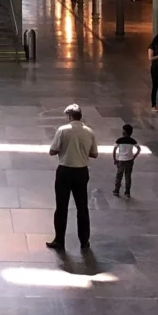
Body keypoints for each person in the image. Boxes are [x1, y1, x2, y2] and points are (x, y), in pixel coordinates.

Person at [46, 103, 97, 251]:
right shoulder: (89, 132)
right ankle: (84, 241)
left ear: (69, 116)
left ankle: (59, 240)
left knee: (61, 207)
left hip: (65, 171)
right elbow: (94, 154)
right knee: (82, 207)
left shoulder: (63, 130)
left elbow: (52, 151)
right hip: (81, 172)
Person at [112, 123, 141, 197]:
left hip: (121, 160)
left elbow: (114, 150)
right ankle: (127, 192)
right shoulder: (132, 141)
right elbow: (139, 149)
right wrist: (134, 157)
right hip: (129, 160)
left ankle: (116, 190)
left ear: (124, 132)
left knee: (119, 176)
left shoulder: (119, 140)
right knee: (128, 176)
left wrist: (115, 159)